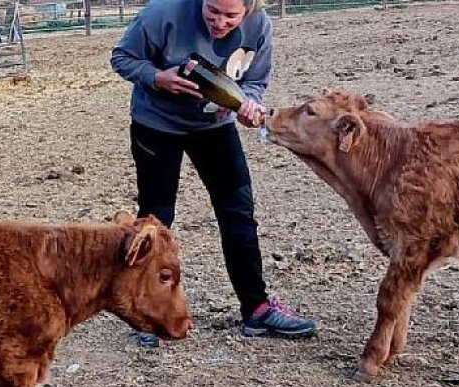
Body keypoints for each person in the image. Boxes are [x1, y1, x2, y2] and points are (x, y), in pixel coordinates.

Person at [110, 0, 317, 346]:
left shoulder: (259, 25)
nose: (219, 22)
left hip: (214, 127)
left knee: (238, 211)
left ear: (249, 9)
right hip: (156, 125)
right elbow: (122, 58)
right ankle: (146, 318)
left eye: (230, 15)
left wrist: (246, 105)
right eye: (212, 11)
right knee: (156, 220)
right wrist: (158, 77)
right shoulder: (162, 14)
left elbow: (254, 81)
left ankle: (257, 309)